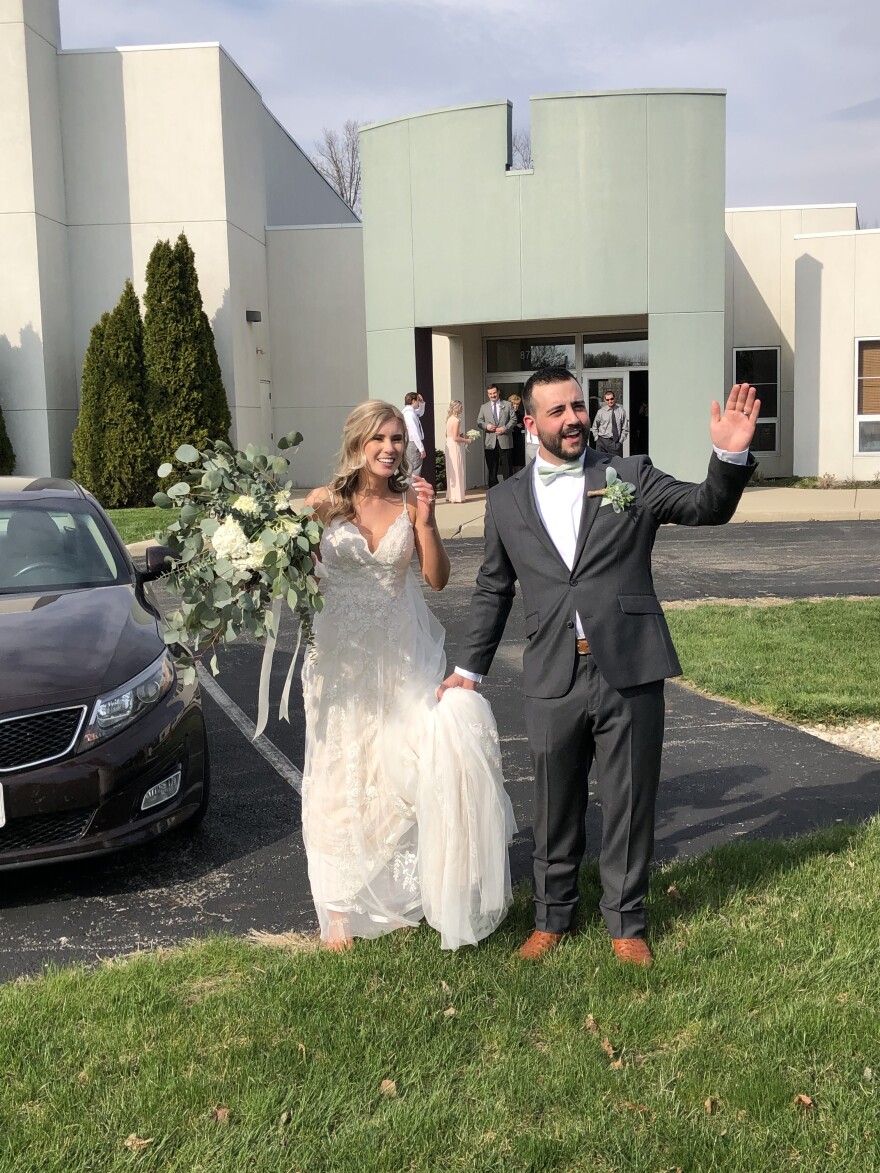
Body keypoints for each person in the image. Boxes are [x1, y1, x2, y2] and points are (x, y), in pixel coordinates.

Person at [439, 368, 759, 967]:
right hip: (552, 672)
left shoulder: (627, 475)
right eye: (557, 411)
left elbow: (704, 507)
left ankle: (626, 922)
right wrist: (469, 668)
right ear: (529, 423)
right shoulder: (506, 500)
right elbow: (492, 587)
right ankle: (551, 917)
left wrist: (728, 457)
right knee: (554, 803)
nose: (573, 419)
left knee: (630, 798)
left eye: (578, 407)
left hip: (630, 667)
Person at [301, 401, 515, 952]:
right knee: (338, 769)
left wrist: (426, 524)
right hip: (340, 659)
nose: (390, 448)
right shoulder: (323, 505)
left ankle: (393, 895)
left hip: (399, 655)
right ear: (357, 443)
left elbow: (437, 580)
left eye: (397, 439)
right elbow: (296, 576)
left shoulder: (411, 500)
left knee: (395, 768)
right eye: (380, 438)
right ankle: (338, 906)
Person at [476, 385, 514, 487]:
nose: (492, 395)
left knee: (507, 468)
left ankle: (508, 489)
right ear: (488, 394)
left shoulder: (507, 405)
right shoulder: (484, 407)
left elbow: (513, 419)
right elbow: (479, 421)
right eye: (490, 394)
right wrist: (486, 426)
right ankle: (493, 490)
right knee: (492, 468)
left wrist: (504, 428)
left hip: (505, 441)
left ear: (498, 392)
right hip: (490, 443)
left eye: (494, 393)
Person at [445, 399, 472, 503]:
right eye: (460, 407)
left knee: (451, 470)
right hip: (454, 446)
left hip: (448, 444)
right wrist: (467, 440)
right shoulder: (456, 420)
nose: (462, 409)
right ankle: (457, 496)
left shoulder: (449, 419)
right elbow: (456, 438)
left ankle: (451, 494)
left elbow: (450, 434)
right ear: (456, 408)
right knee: (456, 469)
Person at [591, 387, 629, 456]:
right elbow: (595, 427)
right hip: (602, 441)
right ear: (605, 400)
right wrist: (596, 438)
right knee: (601, 463)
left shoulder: (621, 411)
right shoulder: (601, 412)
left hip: (615, 442)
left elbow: (625, 428)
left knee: (616, 464)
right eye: (607, 400)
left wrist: (620, 441)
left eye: (611, 399)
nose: (610, 401)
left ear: (615, 398)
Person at [402, 391, 426, 477]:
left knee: (413, 469)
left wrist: (422, 402)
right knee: (414, 469)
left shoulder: (410, 412)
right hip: (413, 444)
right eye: (417, 400)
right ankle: (412, 489)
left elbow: (420, 412)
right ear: (413, 401)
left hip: (412, 443)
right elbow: (414, 432)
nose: (418, 402)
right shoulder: (409, 414)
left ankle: (412, 489)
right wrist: (421, 448)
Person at [507, 393, 526, 472]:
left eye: (517, 404)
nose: (515, 406)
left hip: (518, 442)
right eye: (513, 404)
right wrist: (514, 426)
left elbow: (521, 426)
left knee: (518, 464)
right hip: (508, 441)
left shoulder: (520, 415)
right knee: (508, 464)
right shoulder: (505, 415)